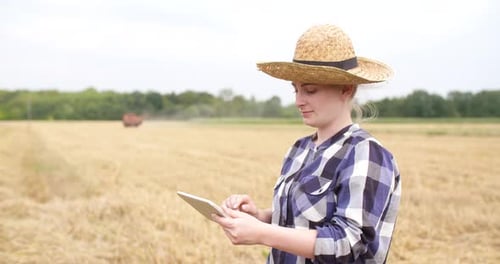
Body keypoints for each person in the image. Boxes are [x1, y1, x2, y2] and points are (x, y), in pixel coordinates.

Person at [212, 24, 401, 264]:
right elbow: (301, 222)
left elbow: (348, 243)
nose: (299, 101)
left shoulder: (365, 153)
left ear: (346, 89)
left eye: (310, 90)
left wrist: (262, 233)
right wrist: (259, 217)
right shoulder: (299, 149)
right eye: (296, 90)